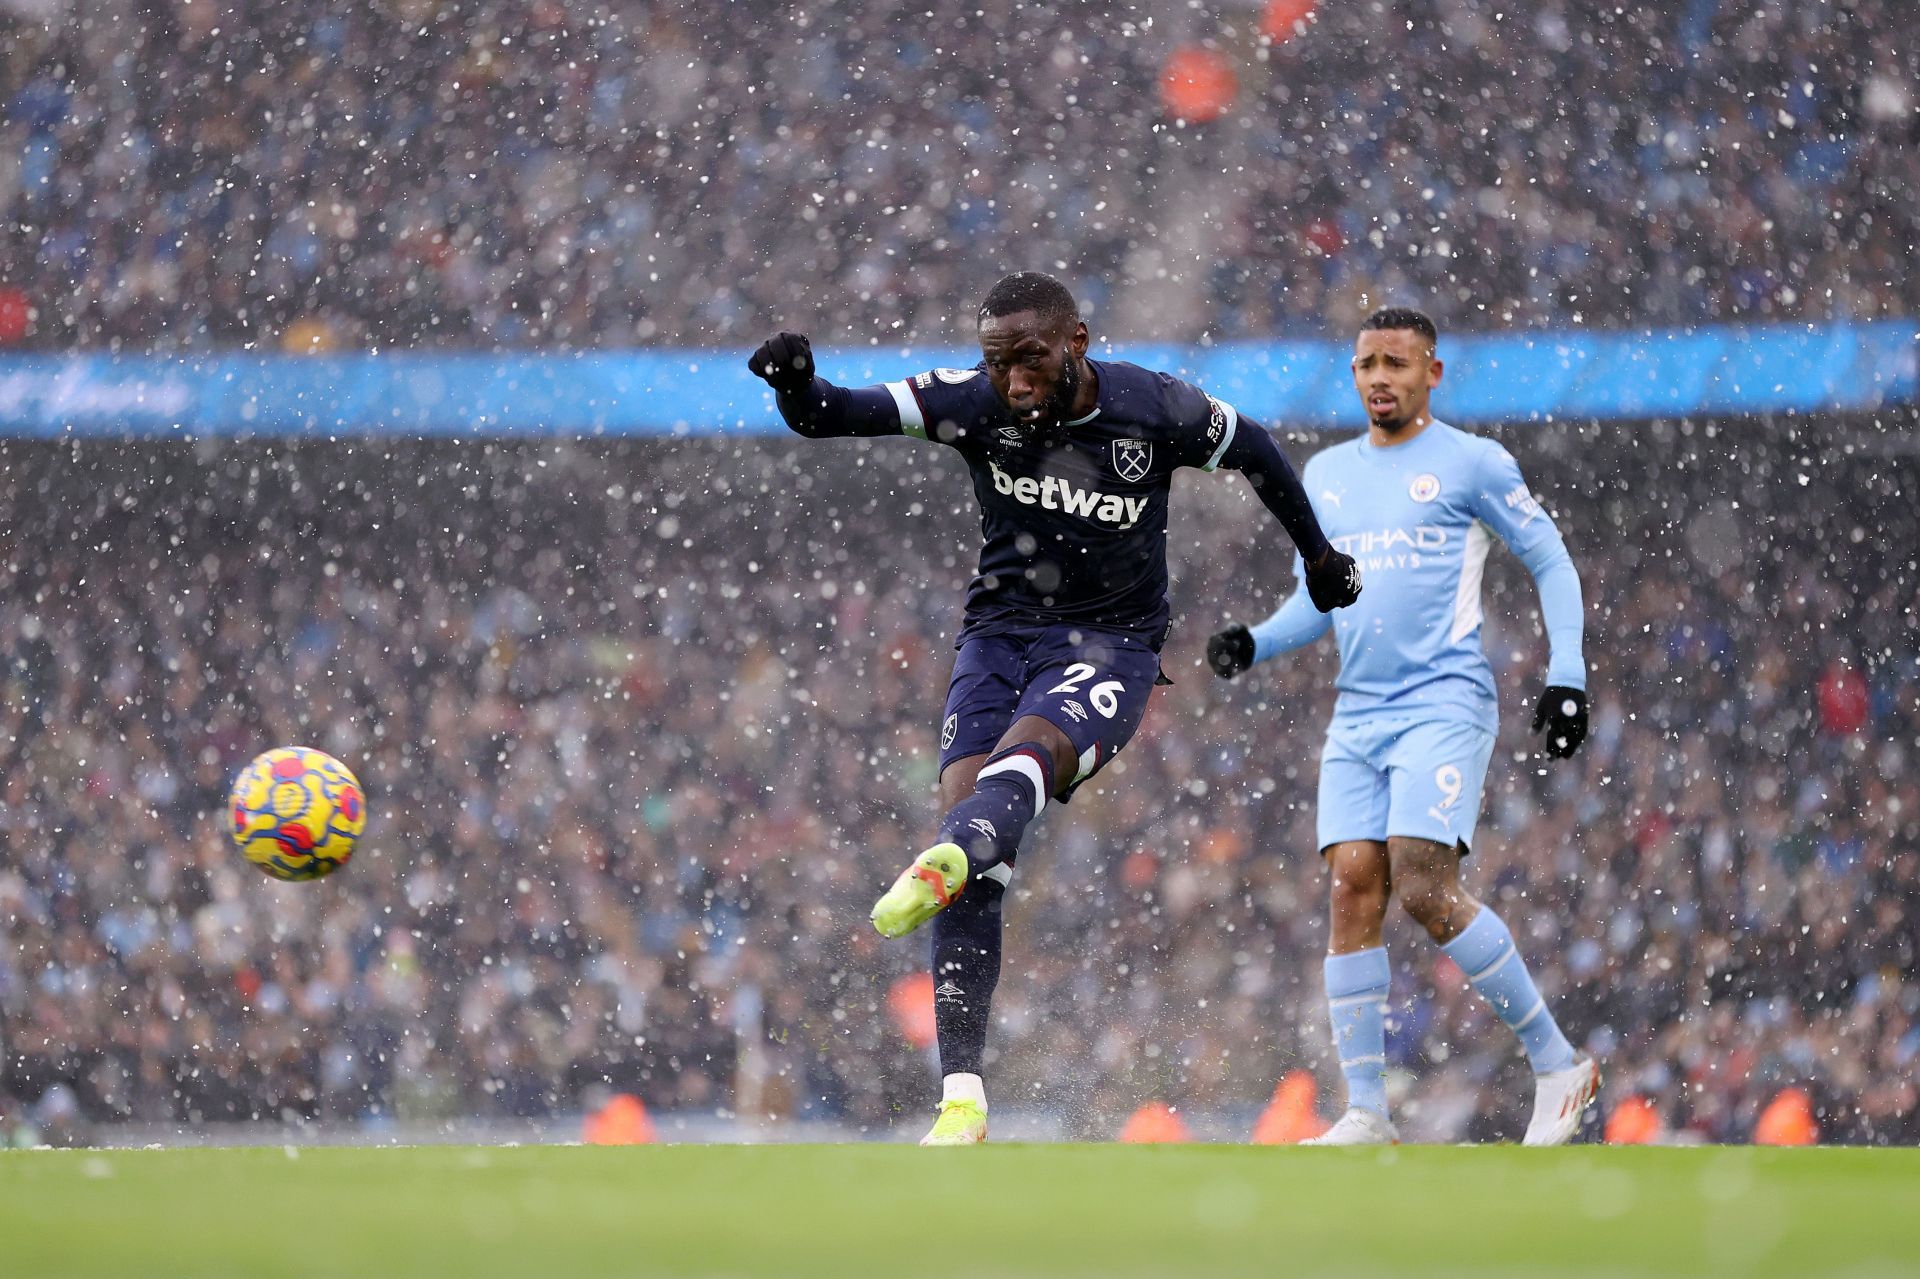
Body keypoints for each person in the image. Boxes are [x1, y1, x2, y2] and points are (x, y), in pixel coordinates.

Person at [747, 271, 1361, 1145]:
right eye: (999, 363)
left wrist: (1320, 557)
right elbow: (830, 413)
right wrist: (793, 383)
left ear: (1076, 340)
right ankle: (962, 1099)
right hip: (998, 637)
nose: (1016, 382)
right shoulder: (971, 401)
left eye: (1031, 359)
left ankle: (956, 848)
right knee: (978, 854)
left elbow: (1258, 450)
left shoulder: (1155, 409)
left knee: (1012, 778)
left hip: (1113, 644)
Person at [1207, 306, 1599, 1145]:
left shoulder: (1471, 462)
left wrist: (1567, 674)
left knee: (1422, 882)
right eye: (1365, 364)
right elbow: (1319, 599)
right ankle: (1367, 1113)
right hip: (1360, 710)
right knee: (1353, 884)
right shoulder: (1328, 476)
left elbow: (1550, 559)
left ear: (1432, 372)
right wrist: (1258, 640)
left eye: (1396, 362)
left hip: (1443, 700)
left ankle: (1559, 1060)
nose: (1379, 376)